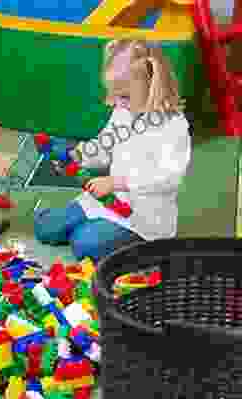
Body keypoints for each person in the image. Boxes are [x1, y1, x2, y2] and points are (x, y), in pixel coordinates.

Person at [34, 39, 192, 262]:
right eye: (114, 95)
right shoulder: (124, 111)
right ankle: (81, 224)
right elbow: (103, 146)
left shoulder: (173, 127)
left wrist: (117, 182)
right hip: (108, 201)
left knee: (84, 244)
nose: (114, 103)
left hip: (143, 220)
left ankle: (96, 231)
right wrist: (76, 156)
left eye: (124, 96)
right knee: (46, 228)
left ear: (154, 87)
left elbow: (168, 178)